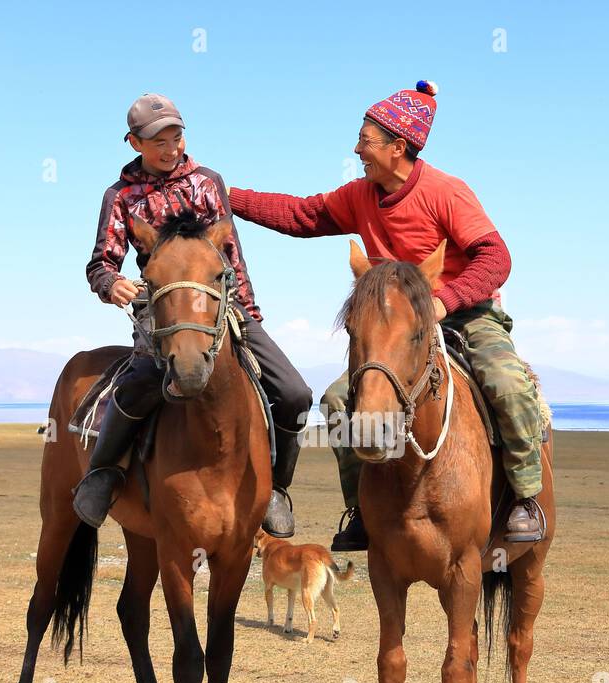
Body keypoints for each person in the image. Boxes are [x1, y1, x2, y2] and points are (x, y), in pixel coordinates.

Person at [227, 81, 545, 551]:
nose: (357, 149)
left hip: (464, 313)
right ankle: (361, 509)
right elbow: (301, 215)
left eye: (365, 140)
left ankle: (525, 497)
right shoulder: (361, 195)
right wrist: (224, 195)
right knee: (339, 401)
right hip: (396, 329)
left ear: (399, 147)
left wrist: (445, 300)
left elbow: (496, 257)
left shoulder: (446, 192)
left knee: (505, 381)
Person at [76, 93, 312, 534]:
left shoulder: (208, 182)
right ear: (134, 143)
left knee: (296, 394)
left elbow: (231, 252)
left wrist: (250, 314)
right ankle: (104, 474)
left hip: (223, 311)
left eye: (177, 137)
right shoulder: (121, 196)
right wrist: (113, 284)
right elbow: (101, 262)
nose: (171, 149)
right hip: (162, 316)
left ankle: (276, 487)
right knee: (138, 385)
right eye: (159, 141)